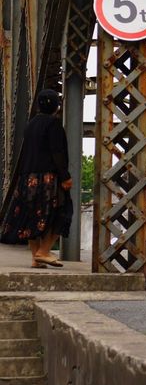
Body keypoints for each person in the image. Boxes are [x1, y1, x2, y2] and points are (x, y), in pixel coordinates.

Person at [0, 89, 73, 268]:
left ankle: (36, 258)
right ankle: (44, 251)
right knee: (63, 212)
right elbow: (57, 153)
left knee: (32, 216)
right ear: (57, 106)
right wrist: (65, 176)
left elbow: (25, 153)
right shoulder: (54, 125)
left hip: (28, 178)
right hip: (48, 179)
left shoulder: (30, 124)